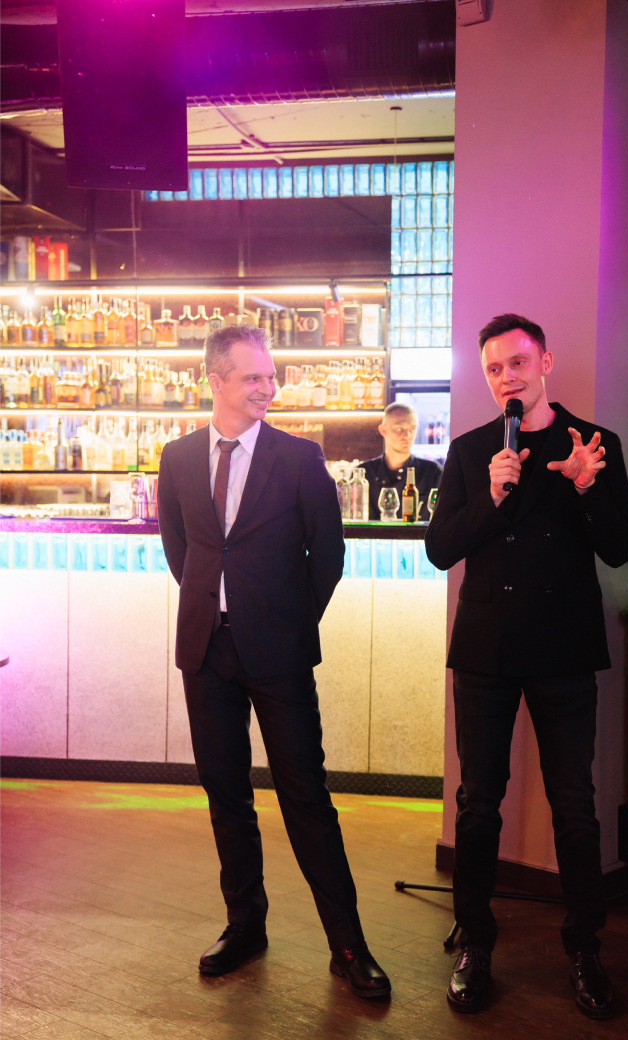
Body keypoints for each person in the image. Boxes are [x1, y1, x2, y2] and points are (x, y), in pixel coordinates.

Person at [157, 324, 390, 998]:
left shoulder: (299, 457)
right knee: (225, 793)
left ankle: (347, 945)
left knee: (306, 797)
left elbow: (329, 554)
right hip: (206, 648)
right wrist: (213, 606)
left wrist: (287, 623)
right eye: (253, 377)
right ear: (215, 380)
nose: (269, 387)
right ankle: (245, 926)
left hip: (279, 652)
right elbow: (182, 549)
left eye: (271, 375)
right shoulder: (177, 457)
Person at [425, 314, 628, 1019]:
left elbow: (618, 549)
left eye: (517, 362)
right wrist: (490, 497)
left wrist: (585, 489)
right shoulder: (471, 451)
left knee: (573, 802)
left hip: (563, 646)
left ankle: (585, 948)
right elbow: (440, 550)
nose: (506, 378)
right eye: (494, 369)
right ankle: (475, 943)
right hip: (485, 649)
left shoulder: (593, 444)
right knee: (478, 802)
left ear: (545, 360)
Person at [361, 403, 443, 520]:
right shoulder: (364, 474)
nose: (407, 435)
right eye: (399, 429)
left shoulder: (432, 472)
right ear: (383, 430)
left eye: (412, 429)